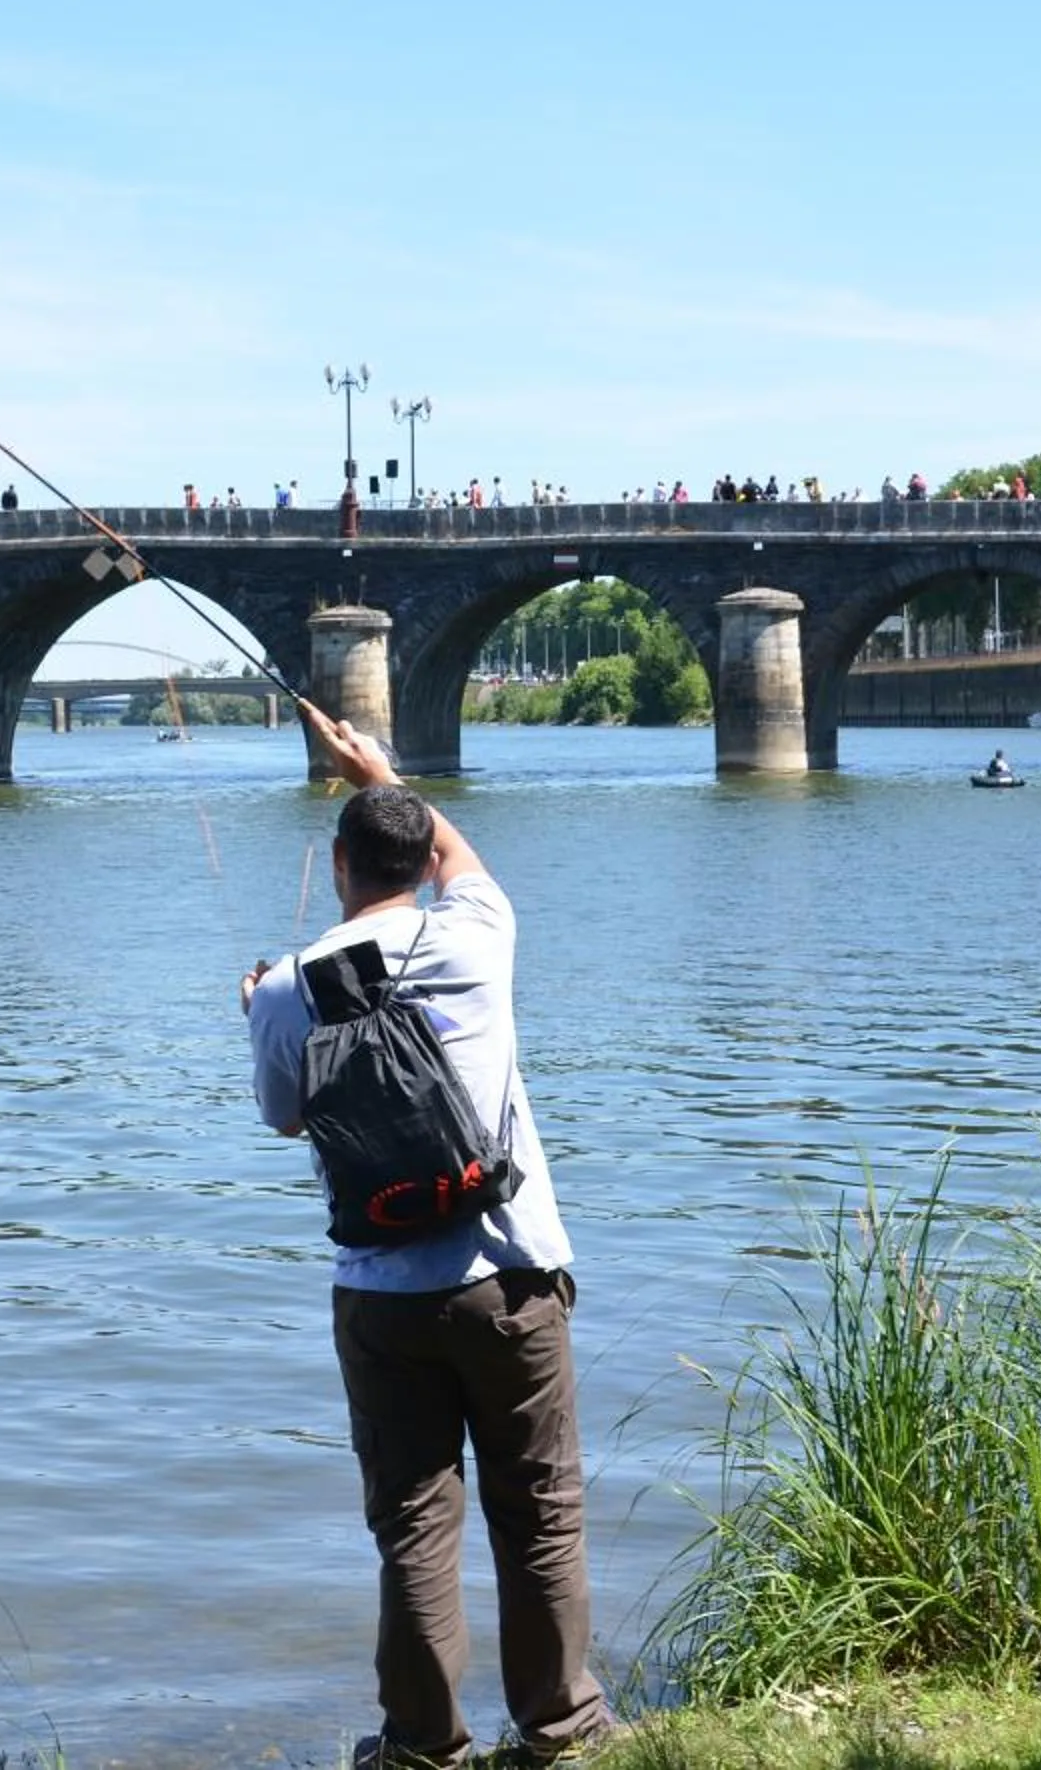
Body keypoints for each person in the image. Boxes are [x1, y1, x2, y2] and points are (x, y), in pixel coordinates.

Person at [240, 708, 613, 1770]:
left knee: (413, 1518)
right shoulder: (478, 933)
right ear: (420, 860)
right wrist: (385, 770)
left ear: (340, 863)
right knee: (539, 1509)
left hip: (383, 1291)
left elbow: (283, 1116)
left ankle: (420, 1745)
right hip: (512, 1274)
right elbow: (462, 858)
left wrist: (258, 1011)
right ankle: (560, 1729)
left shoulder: (285, 989)